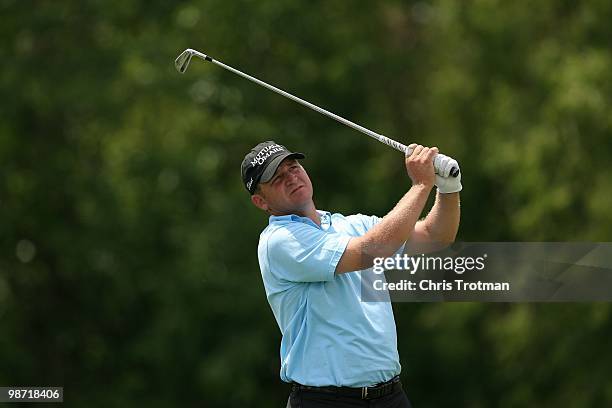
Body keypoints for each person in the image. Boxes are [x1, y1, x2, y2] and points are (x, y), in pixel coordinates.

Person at [241, 140, 461, 407]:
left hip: (390, 397)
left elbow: (433, 237)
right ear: (260, 201)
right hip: (324, 400)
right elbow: (369, 250)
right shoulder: (279, 240)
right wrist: (420, 186)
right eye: (277, 177)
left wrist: (448, 188)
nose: (291, 177)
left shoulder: (353, 224)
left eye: (293, 167)